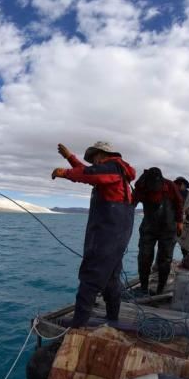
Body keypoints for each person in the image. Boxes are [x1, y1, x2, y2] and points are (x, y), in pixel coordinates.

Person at [52, 141, 136, 328]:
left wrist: (64, 172)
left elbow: (90, 174)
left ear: (101, 155)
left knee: (91, 275)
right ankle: (112, 318)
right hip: (119, 233)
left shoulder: (111, 168)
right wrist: (70, 158)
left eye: (94, 158)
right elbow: (90, 172)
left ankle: (78, 324)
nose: (93, 162)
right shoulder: (118, 171)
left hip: (107, 233)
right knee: (111, 277)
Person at [133, 168, 183, 296]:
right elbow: (132, 202)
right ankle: (144, 288)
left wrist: (180, 222)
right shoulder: (141, 185)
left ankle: (160, 290)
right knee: (144, 257)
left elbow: (178, 203)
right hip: (148, 227)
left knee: (165, 259)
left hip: (168, 228)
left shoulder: (170, 186)